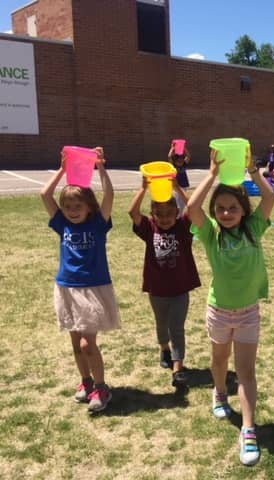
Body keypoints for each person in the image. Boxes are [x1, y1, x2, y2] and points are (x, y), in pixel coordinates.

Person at [188, 147, 274, 466]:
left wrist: (254, 171)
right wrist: (211, 175)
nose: (226, 213)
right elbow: (192, 206)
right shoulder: (211, 234)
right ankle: (220, 393)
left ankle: (248, 430)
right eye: (221, 209)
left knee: (247, 371)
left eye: (232, 208)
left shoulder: (253, 229)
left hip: (248, 312)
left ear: (243, 210)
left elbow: (269, 200)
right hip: (219, 311)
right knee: (219, 360)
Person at [40, 147, 120, 413]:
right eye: (67, 206)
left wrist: (101, 168)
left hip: (93, 289)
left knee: (88, 344)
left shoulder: (98, 223)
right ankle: (85, 381)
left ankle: (101, 387)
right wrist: (63, 170)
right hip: (66, 288)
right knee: (76, 345)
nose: (72, 211)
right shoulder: (62, 224)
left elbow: (109, 195)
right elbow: (44, 194)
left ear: (89, 207)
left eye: (78, 206)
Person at [128, 177, 201, 390]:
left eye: (170, 214)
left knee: (177, 327)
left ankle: (178, 367)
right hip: (157, 289)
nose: (165, 219)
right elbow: (133, 213)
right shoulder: (149, 229)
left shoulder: (183, 227)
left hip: (180, 289)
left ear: (177, 213)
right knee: (162, 325)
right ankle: (164, 349)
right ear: (153, 215)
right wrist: (143, 189)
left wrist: (178, 187)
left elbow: (194, 208)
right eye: (160, 215)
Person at [168, 140, 191, 210]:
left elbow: (188, 156)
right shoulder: (173, 166)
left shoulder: (184, 164)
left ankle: (179, 212)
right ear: (175, 161)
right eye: (178, 161)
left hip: (184, 186)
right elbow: (169, 156)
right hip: (176, 186)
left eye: (181, 160)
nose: (180, 162)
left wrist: (184, 148)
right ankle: (178, 212)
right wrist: (173, 148)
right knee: (177, 200)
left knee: (183, 202)